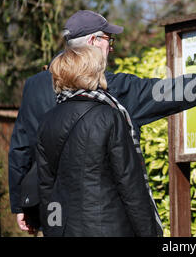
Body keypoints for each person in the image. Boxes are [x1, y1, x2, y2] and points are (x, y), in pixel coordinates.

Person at [8, 10, 196, 234]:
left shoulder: (35, 86)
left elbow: (22, 146)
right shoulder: (111, 90)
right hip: (106, 220)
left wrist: (22, 204)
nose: (111, 48)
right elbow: (173, 92)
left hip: (57, 220)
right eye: (109, 40)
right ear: (94, 42)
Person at [37, 45, 161, 236]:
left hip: (65, 229)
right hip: (109, 227)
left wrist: (52, 229)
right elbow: (130, 185)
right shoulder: (109, 115)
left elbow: (47, 187)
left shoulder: (47, 120)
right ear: (92, 73)